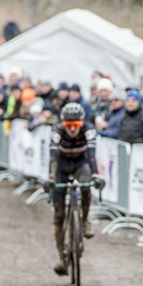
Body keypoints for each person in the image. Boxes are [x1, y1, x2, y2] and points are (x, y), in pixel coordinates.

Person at [45, 103, 101, 276]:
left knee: (85, 188)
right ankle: (63, 258)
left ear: (81, 123)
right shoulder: (56, 130)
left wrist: (96, 175)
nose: (72, 130)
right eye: (68, 126)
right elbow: (53, 157)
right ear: (63, 124)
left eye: (76, 126)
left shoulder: (89, 129)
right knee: (59, 216)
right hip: (61, 165)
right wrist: (51, 178)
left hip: (80, 163)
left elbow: (92, 155)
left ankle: (84, 221)